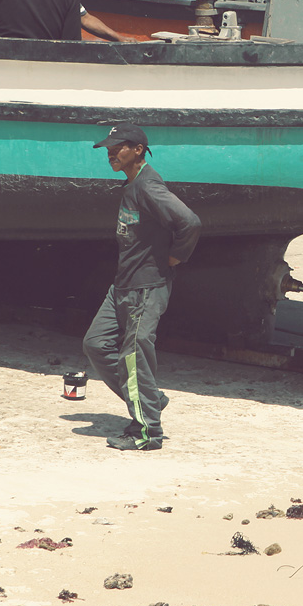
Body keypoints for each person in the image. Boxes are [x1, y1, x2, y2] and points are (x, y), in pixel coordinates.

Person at [82, 122, 201, 451]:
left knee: (134, 357)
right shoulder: (132, 185)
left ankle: (147, 432)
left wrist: (176, 257)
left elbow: (189, 222)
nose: (110, 154)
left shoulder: (148, 186)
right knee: (96, 343)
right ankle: (151, 399)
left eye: (117, 148)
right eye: (107, 150)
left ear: (138, 150)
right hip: (122, 285)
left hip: (146, 287)